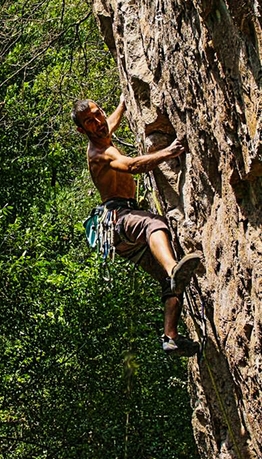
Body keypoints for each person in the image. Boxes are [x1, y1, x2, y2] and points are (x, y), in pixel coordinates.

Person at [71, 96, 201, 357]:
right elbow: (129, 166)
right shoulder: (101, 154)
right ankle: (172, 268)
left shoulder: (103, 133)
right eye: (90, 121)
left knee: (169, 284)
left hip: (122, 237)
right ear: (81, 130)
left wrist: (123, 103)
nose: (98, 122)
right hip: (118, 217)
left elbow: (110, 123)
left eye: (98, 114)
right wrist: (168, 152)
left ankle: (171, 337)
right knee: (153, 223)